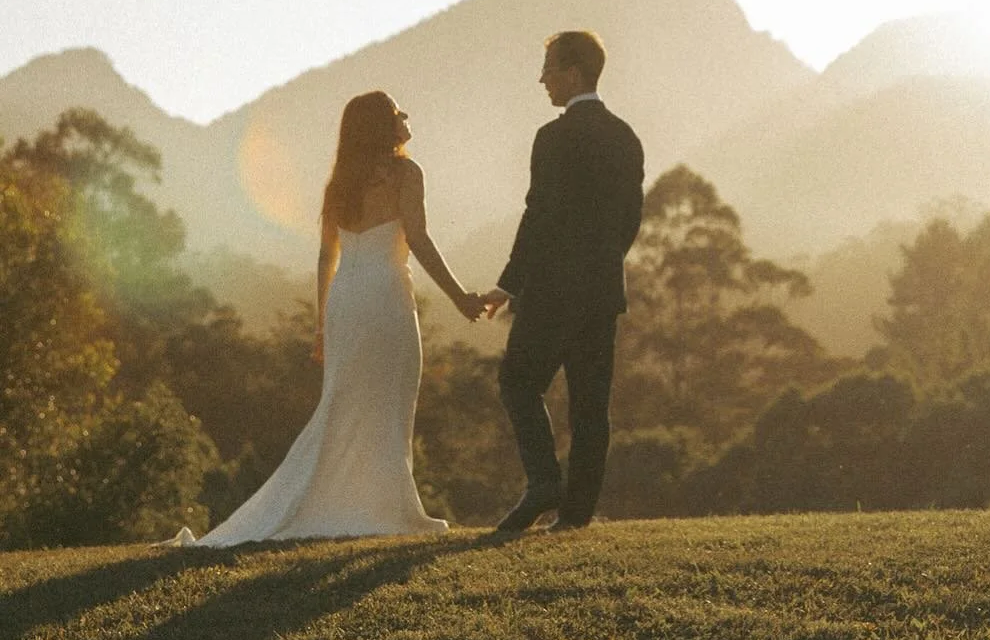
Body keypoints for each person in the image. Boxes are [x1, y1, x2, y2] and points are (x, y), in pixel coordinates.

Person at [173, 91, 484, 547]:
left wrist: (322, 324)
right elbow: (417, 238)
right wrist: (459, 297)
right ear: (381, 126)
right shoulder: (406, 173)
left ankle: (359, 504)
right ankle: (385, 506)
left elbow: (326, 256)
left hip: (346, 299)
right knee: (392, 396)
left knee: (344, 402)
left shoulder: (339, 183)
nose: (405, 117)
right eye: (397, 112)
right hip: (385, 296)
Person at [482, 30, 645, 534]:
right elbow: (630, 220)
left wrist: (509, 284)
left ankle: (543, 483)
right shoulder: (625, 137)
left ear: (573, 73)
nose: (542, 79)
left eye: (549, 68)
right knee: (590, 407)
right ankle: (576, 515)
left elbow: (538, 215)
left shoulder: (552, 139)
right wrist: (601, 265)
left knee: (518, 382)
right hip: (601, 293)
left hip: (551, 292)